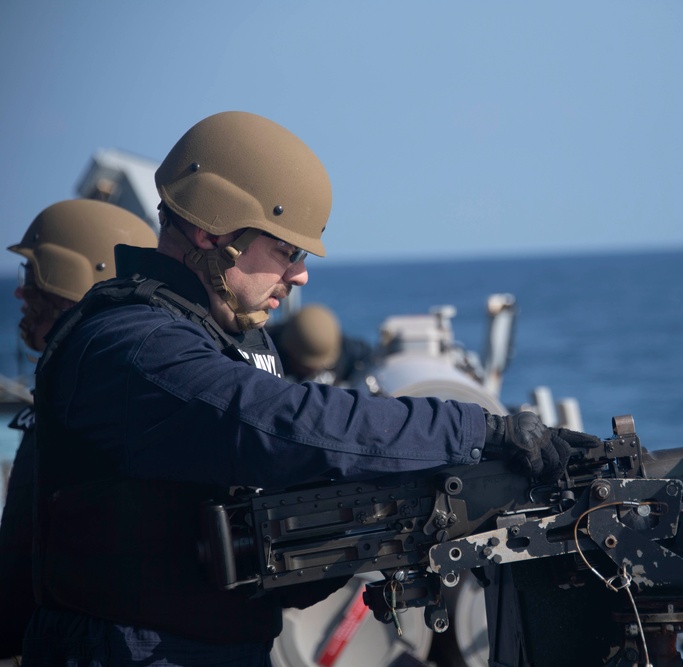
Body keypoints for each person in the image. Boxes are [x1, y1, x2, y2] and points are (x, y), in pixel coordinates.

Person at [21, 111, 599, 667]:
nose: (299, 275)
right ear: (210, 228)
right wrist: (481, 429)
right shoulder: (134, 348)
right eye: (286, 250)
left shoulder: (234, 340)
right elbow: (287, 423)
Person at [0, 200, 158, 660]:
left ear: (69, 281)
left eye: (32, 276)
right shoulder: (90, 396)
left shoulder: (81, 409)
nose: (20, 294)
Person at [270, 303, 372, 384]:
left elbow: (367, 357)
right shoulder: (268, 350)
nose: (315, 371)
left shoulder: (347, 351)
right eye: (307, 368)